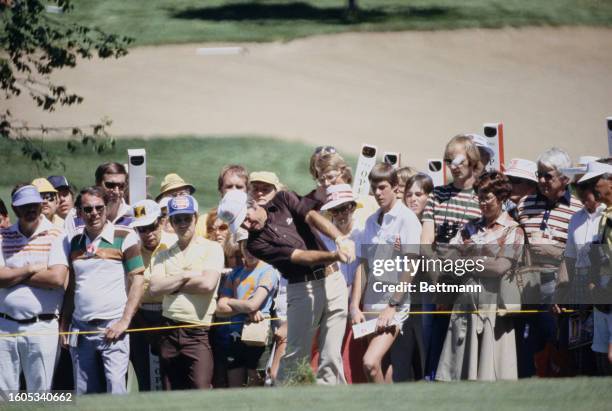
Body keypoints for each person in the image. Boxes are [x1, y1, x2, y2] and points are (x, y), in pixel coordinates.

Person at [217, 189, 356, 385]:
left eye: (246, 217)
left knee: (332, 355)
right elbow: (298, 256)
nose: (247, 225)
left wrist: (340, 239)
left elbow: (312, 216)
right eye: (241, 224)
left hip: (334, 281)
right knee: (296, 355)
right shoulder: (256, 244)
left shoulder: (283, 199)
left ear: (253, 204)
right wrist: (335, 255)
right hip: (302, 289)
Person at [436, 172, 524, 381]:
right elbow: (448, 262)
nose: (482, 203)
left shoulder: (513, 230)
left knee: (490, 373)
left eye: (488, 197)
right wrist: (483, 261)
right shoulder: (469, 227)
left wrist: (468, 259)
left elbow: (501, 267)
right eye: (480, 197)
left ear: (501, 197)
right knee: (459, 374)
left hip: (494, 310)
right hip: (464, 306)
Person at [61, 186, 145, 394]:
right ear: (79, 212)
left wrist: (124, 321)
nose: (94, 213)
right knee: (83, 392)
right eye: (87, 209)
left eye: (99, 208)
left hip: (113, 327)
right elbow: (72, 288)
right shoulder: (75, 242)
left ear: (107, 208)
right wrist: (64, 323)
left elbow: (138, 280)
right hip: (80, 328)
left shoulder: (125, 236)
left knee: (116, 389)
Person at [351, 163, 422, 383]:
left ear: (395, 187)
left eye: (382, 187)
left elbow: (411, 266)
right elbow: (362, 266)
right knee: (385, 367)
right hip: (370, 304)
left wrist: (392, 306)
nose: (378, 193)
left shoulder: (407, 219)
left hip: (394, 304)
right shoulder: (371, 221)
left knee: (370, 363)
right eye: (374, 188)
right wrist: (354, 305)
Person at [420, 135, 482, 379]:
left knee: (466, 349)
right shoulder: (437, 195)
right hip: (440, 281)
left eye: (458, 160)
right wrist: (438, 283)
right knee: (435, 346)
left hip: (471, 283)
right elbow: (426, 243)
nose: (453, 166)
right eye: (448, 160)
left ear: (472, 160)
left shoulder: (482, 196)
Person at [517, 147, 582, 377]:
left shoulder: (577, 207)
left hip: (561, 284)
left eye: (548, 175)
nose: (542, 180)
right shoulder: (524, 204)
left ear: (565, 177)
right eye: (539, 175)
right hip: (527, 285)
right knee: (528, 349)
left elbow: (577, 251)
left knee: (560, 347)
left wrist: (548, 248)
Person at [150, 195, 224, 390]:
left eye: (187, 218)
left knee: (201, 390)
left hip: (198, 332)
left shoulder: (212, 248)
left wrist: (171, 283)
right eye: (177, 219)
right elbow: (155, 288)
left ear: (195, 218)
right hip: (169, 330)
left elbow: (207, 284)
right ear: (170, 222)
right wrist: (184, 276)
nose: (182, 223)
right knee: (171, 393)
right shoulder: (162, 254)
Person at [0, 185, 68, 391]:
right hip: (5, 326)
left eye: (34, 204)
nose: (31, 209)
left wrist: (13, 273)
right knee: (4, 395)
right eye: (25, 206)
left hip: (42, 325)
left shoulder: (57, 234)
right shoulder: (3, 236)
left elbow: (56, 278)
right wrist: (30, 268)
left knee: (40, 393)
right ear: (14, 209)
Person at [318, 184, 367, 383]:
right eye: (335, 210)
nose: (340, 214)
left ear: (353, 207)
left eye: (345, 207)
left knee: (355, 358)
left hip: (360, 303)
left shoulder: (363, 232)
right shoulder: (322, 237)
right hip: (332, 302)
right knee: (331, 354)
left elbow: (365, 270)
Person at [215, 240, 280, 387]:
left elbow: (254, 304)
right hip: (235, 335)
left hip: (258, 334)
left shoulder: (269, 271)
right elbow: (219, 308)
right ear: (241, 248)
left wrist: (231, 301)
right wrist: (246, 308)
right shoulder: (235, 273)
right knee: (234, 387)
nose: (249, 251)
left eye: (252, 246)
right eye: (245, 246)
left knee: (256, 383)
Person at [129, 199, 177, 391]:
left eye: (152, 226)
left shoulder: (174, 245)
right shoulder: (131, 251)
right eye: (142, 229)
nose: (148, 233)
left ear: (162, 221)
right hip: (140, 318)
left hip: (170, 316)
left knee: (171, 377)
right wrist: (145, 327)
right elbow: (128, 292)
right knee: (144, 376)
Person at [576, 160, 612, 375]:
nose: (590, 189)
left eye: (595, 182)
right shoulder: (603, 216)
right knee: (601, 359)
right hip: (602, 300)